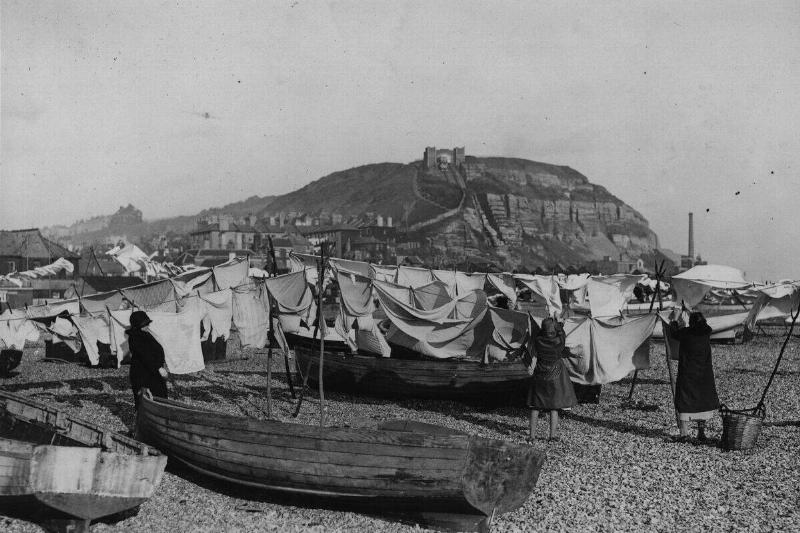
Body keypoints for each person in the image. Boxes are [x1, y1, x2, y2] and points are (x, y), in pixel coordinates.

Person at [668, 310, 719, 441]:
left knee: (684, 401)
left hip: (688, 374)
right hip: (704, 374)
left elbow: (674, 333)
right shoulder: (707, 332)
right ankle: (701, 433)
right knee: (703, 402)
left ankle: (684, 433)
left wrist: (674, 320)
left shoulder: (686, 333)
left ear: (691, 323)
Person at [527, 317, 578, 441]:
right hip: (556, 374)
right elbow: (562, 332)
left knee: (535, 406)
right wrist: (560, 323)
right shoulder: (559, 341)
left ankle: (532, 436)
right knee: (554, 407)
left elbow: (537, 334)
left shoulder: (538, 340)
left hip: (540, 373)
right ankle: (552, 436)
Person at [126, 310, 168, 407]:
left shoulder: (144, 334)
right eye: (145, 324)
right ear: (138, 325)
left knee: (158, 399)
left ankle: (157, 419)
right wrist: (158, 367)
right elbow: (145, 355)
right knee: (147, 399)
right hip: (143, 375)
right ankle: (148, 420)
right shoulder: (135, 337)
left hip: (152, 372)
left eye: (147, 323)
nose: (147, 326)